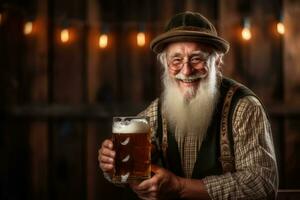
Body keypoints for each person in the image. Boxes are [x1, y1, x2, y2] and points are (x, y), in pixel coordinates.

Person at [98, 11, 278, 199]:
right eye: (176, 60)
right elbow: (127, 170)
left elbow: (262, 184)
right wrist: (112, 163)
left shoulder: (244, 107)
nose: (186, 70)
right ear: (166, 64)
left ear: (217, 61)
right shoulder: (158, 110)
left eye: (196, 58)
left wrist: (180, 186)